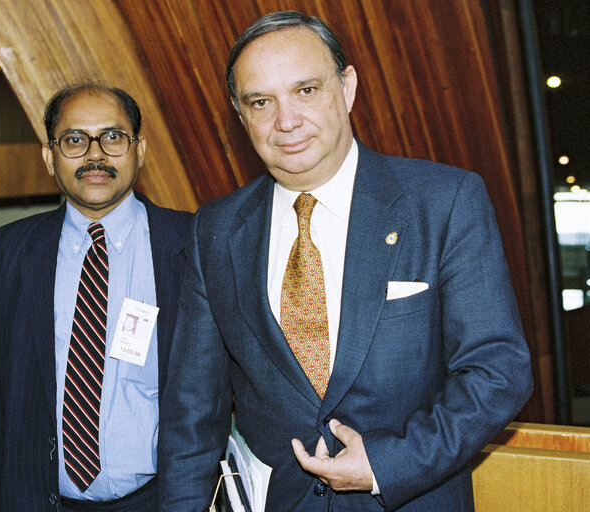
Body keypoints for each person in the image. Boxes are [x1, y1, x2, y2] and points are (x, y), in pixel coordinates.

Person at [158, 11, 533, 512]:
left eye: (306, 90)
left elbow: (498, 370)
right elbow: (192, 415)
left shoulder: (445, 201)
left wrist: (388, 464)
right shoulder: (216, 230)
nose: (285, 121)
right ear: (239, 113)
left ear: (347, 86)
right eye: (261, 102)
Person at [0, 81, 192, 512]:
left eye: (112, 137)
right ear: (50, 158)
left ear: (139, 150)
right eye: (74, 140)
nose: (95, 155)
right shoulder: (11, 250)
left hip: (160, 501)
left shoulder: (191, 243)